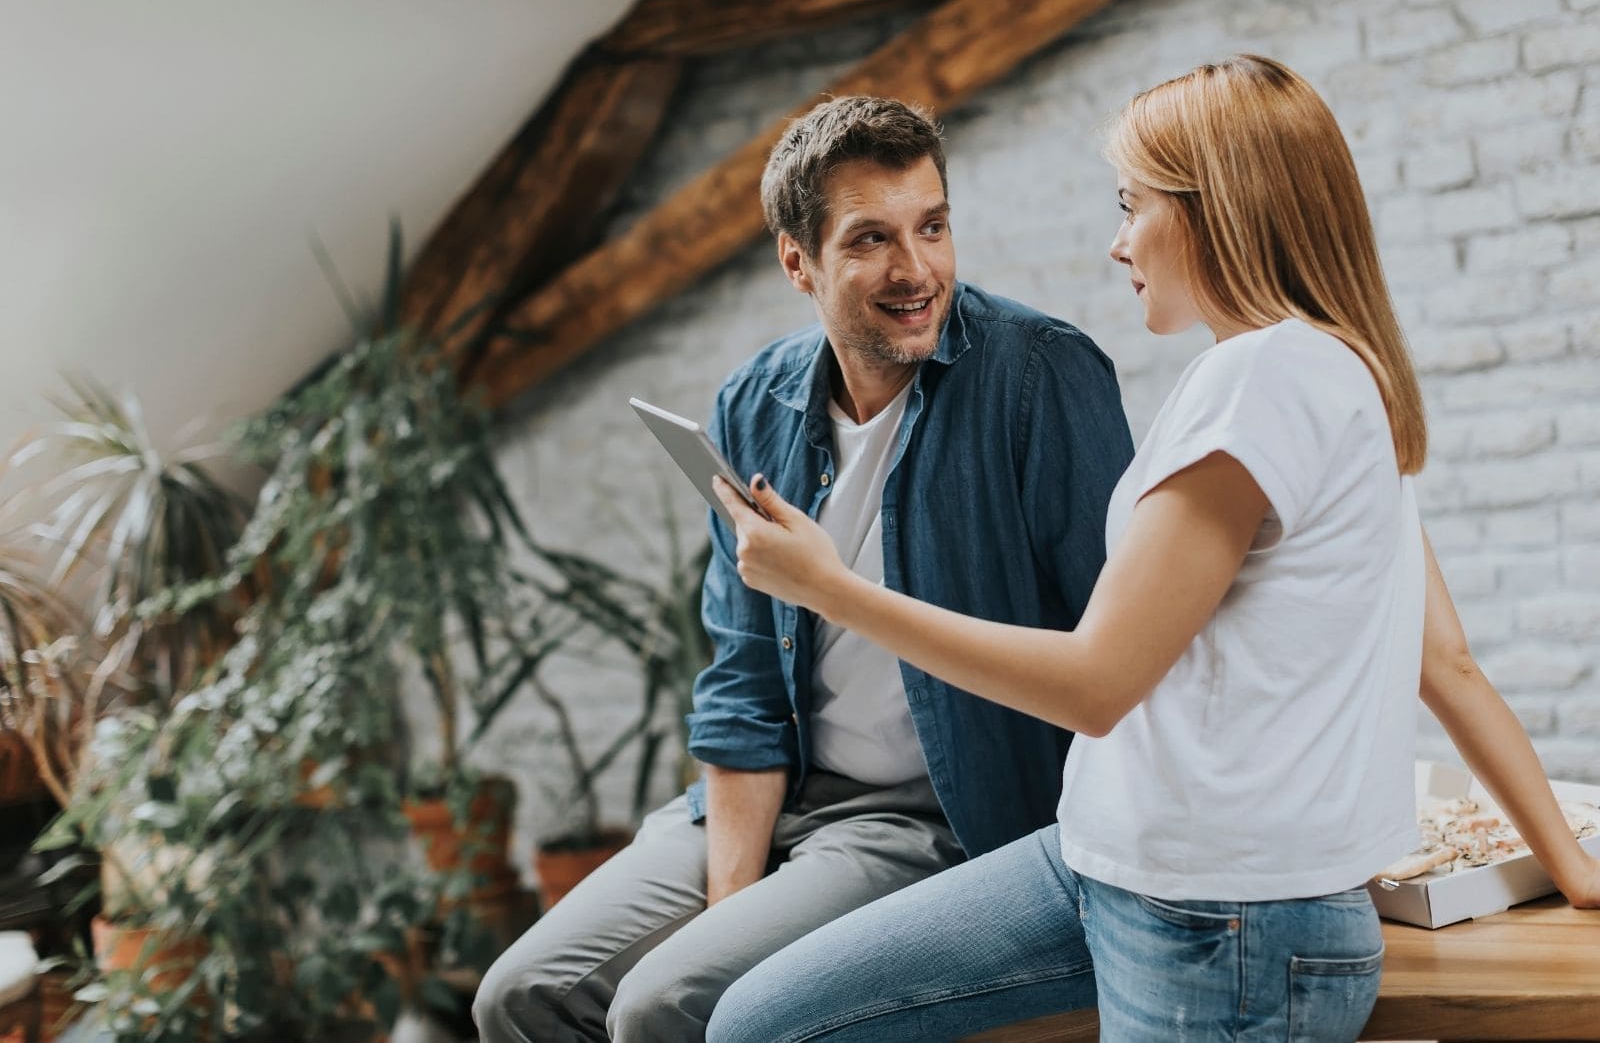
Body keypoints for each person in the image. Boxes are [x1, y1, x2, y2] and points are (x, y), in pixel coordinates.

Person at [704, 55, 1600, 1042]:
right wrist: (1574, 869)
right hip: (1102, 861)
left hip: (1221, 922)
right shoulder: (1333, 373)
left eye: (1132, 205)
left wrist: (830, 591)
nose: (1117, 241)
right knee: (754, 1021)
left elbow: (1098, 681)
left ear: (1214, 207)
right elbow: (1448, 664)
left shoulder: (1262, 382)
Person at [472, 95, 1135, 1042]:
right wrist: (730, 901)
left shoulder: (1039, 377)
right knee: (521, 996)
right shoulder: (755, 405)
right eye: (871, 239)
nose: (918, 270)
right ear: (799, 262)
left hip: (939, 818)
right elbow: (741, 682)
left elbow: (1116, 649)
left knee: (662, 1006)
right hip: (777, 802)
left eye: (934, 227)